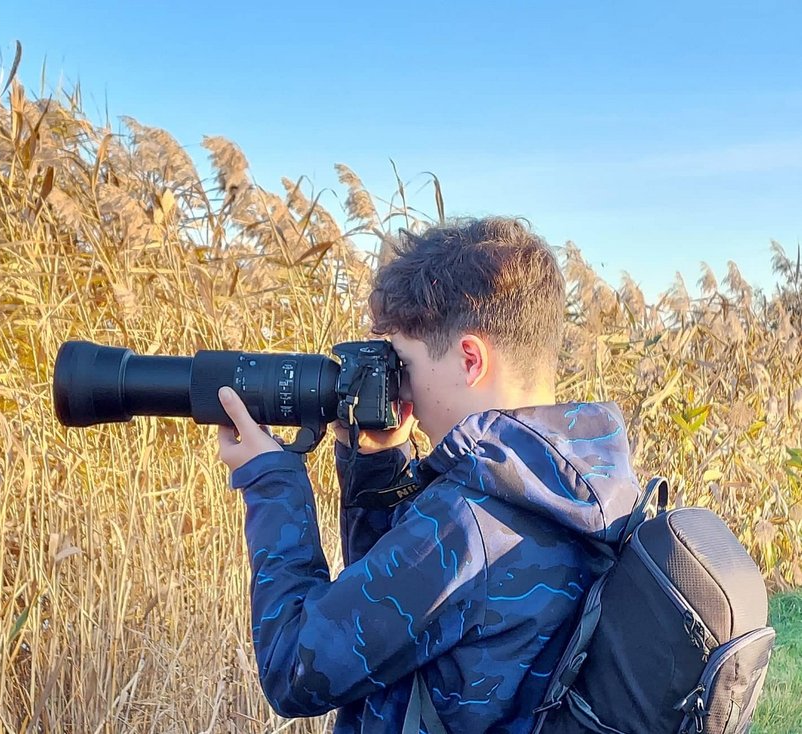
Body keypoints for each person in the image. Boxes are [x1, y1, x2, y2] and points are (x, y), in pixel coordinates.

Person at [215, 217, 642, 733]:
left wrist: (271, 486)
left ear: (469, 359)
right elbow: (394, 618)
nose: (402, 390)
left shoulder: (470, 523)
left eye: (404, 364)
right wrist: (374, 465)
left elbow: (294, 670)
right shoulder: (576, 483)